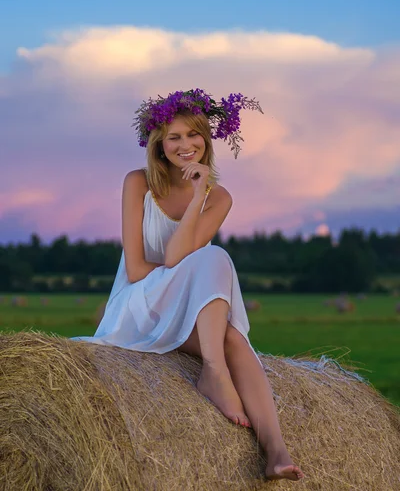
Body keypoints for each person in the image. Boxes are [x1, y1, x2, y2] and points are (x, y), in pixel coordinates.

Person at [71, 88, 304, 482]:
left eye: (193, 135)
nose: (185, 145)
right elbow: (141, 266)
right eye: (173, 137)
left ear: (206, 140)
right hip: (140, 303)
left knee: (232, 336)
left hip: (191, 306)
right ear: (159, 145)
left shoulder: (220, 197)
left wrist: (199, 194)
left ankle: (276, 451)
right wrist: (181, 268)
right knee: (214, 257)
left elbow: (181, 258)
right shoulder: (138, 184)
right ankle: (213, 372)